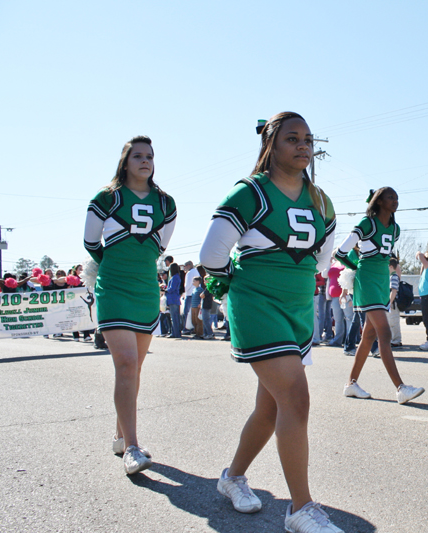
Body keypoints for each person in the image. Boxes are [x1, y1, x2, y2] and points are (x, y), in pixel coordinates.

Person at [199, 112, 344, 532]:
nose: (303, 146)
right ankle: (300, 508)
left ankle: (232, 477)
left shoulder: (321, 201)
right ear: (271, 145)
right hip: (257, 305)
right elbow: (211, 256)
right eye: (292, 138)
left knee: (270, 408)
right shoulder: (250, 192)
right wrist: (238, 284)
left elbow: (322, 259)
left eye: (308, 139)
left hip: (297, 308)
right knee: (295, 400)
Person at [83, 135, 176, 475]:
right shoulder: (106, 198)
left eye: (149, 156)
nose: (145, 161)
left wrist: (136, 263)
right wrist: (116, 264)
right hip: (114, 287)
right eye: (137, 156)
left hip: (145, 289)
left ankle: (121, 436)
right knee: (125, 363)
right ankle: (133, 448)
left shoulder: (166, 203)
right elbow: (91, 242)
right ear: (125, 162)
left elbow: (159, 247)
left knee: (134, 369)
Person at [337, 187, 424, 404]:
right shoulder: (367, 223)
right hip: (367, 280)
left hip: (382, 281)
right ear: (379, 201)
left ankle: (351, 384)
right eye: (390, 197)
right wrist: (356, 268)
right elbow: (340, 252)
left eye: (397, 197)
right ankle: (400, 388)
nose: (395, 200)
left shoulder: (395, 229)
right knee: (384, 333)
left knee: (369, 336)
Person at [387, 257, 403, 348]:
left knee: (393, 322)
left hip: (392, 304)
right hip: (391, 303)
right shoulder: (391, 277)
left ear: (391, 267)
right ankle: (392, 339)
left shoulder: (394, 277)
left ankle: (396, 340)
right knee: (390, 322)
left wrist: (389, 302)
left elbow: (394, 291)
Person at [165, 262, 182, 338]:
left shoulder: (174, 277)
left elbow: (172, 288)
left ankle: (175, 333)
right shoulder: (177, 276)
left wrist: (165, 290)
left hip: (173, 299)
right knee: (175, 317)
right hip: (175, 299)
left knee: (174, 318)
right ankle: (175, 333)